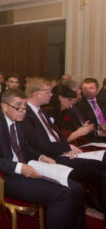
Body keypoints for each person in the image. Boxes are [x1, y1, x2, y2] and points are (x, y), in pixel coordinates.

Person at [0, 89, 86, 229]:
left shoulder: (21, 122)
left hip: (28, 167)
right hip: (4, 176)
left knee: (77, 188)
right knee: (62, 195)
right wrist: (19, 168)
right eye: (18, 106)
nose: (23, 110)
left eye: (25, 106)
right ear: (4, 107)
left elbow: (25, 147)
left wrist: (40, 156)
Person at [24, 77, 106, 216]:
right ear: (36, 93)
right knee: (102, 164)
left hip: (59, 152)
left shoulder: (41, 111)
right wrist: (64, 149)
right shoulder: (26, 114)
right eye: (48, 92)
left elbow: (56, 133)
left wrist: (67, 145)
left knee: (103, 173)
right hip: (50, 159)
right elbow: (40, 145)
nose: (51, 95)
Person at [73, 78, 106, 142]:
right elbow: (83, 124)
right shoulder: (78, 105)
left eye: (91, 88)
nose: (88, 91)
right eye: (85, 88)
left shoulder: (102, 101)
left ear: (97, 89)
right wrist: (99, 130)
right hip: (93, 137)